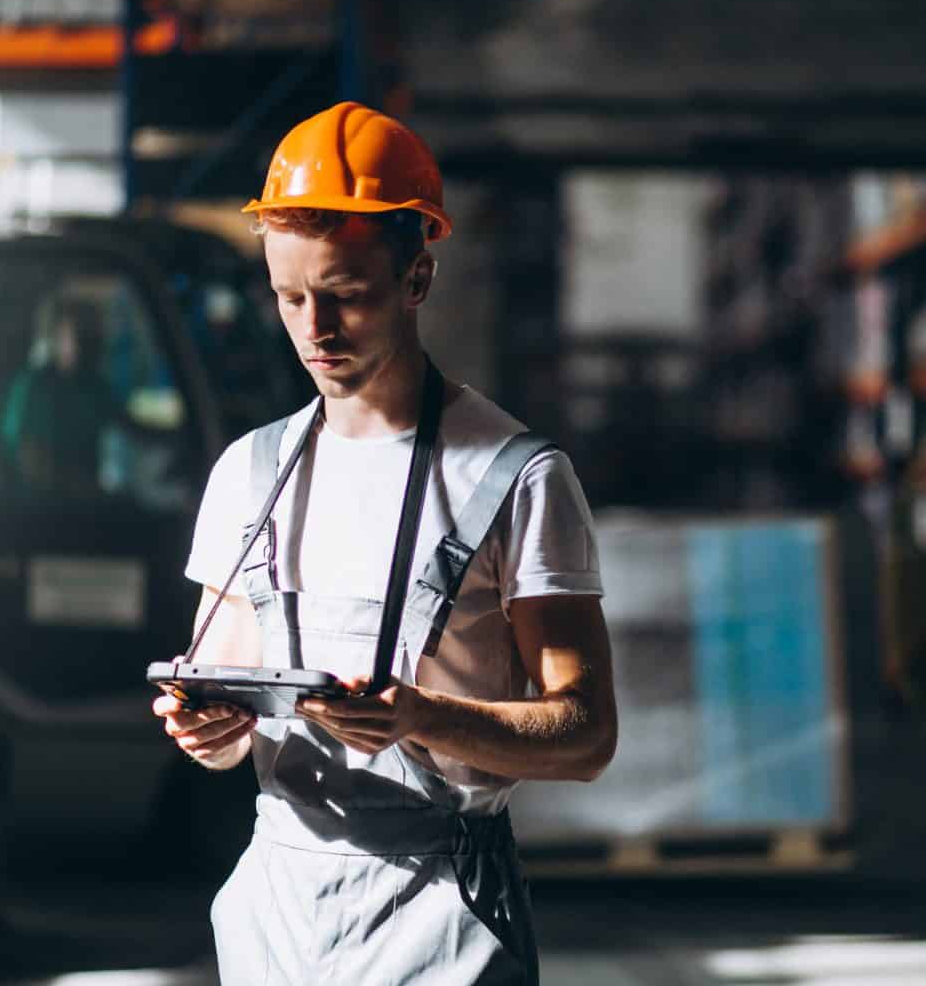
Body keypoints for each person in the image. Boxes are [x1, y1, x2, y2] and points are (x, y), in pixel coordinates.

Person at [151, 101, 618, 985]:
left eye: (347, 295)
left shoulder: (515, 478)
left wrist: (419, 717)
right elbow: (225, 722)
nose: (316, 330)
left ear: (417, 279)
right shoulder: (250, 474)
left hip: (441, 905)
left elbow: (587, 734)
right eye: (290, 297)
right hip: (278, 905)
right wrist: (204, 727)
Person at [0, 299, 121, 497]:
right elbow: (28, 456)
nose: (85, 345)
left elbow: (124, 423)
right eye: (77, 336)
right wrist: (73, 486)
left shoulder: (97, 386)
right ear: (58, 339)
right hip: (38, 507)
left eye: (91, 337)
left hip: (88, 505)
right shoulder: (34, 386)